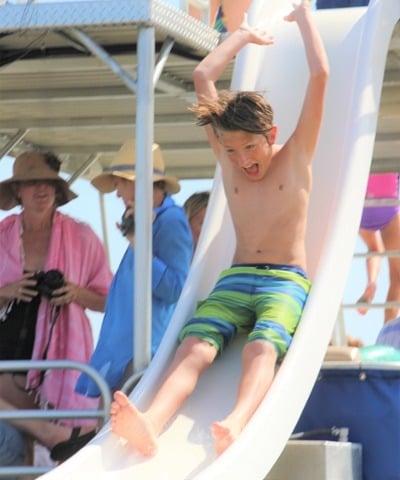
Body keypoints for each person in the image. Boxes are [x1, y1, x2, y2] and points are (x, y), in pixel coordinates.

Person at [110, 1, 329, 457]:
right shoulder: (229, 162)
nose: (242, 161)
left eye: (251, 148)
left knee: (262, 348)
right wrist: (242, 37)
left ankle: (236, 420)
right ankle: (150, 424)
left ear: (271, 136)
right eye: (231, 151)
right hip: (235, 278)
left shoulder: (296, 154)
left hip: (285, 280)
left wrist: (306, 16)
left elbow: (320, 76)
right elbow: (203, 77)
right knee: (194, 348)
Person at [0, 151, 113, 463]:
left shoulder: (82, 236)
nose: (42, 189)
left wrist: (75, 293)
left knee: (53, 460)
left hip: (60, 359)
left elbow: (109, 300)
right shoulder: (1, 236)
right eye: (32, 182)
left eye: (48, 183)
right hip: (7, 349)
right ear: (16, 190)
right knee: (15, 449)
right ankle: (51, 435)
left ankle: (53, 436)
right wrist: (6, 292)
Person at [74, 139, 193, 397]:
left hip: (141, 353)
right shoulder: (150, 220)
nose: (117, 193)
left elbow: (174, 289)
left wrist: (138, 243)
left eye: (119, 182)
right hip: (127, 352)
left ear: (137, 182)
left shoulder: (171, 221)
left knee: (117, 431)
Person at [356, 173, 400, 324]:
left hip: (362, 207)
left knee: (374, 249)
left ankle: (372, 282)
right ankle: (387, 329)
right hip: (387, 203)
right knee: (397, 276)